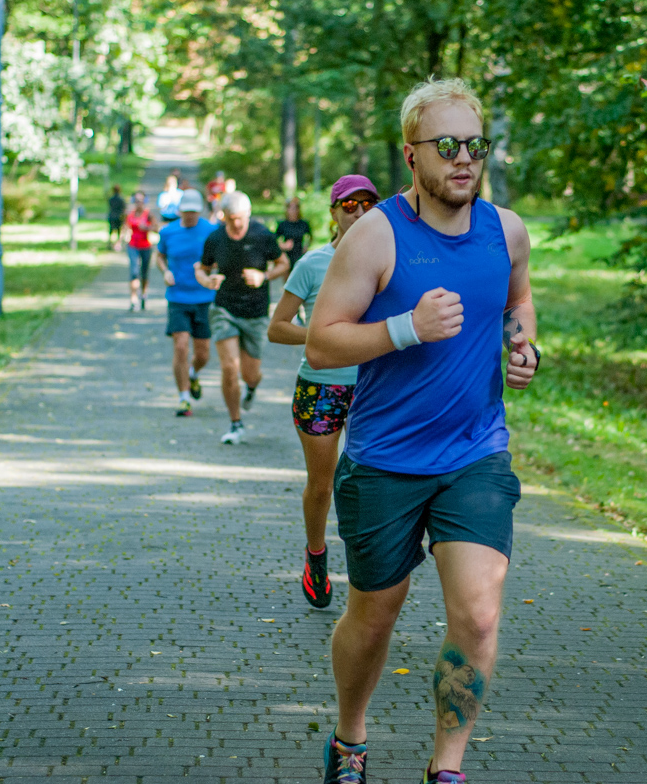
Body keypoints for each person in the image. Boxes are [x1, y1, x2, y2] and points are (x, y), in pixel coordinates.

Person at [305, 78, 539, 784]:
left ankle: (447, 767)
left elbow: (518, 298)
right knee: (374, 615)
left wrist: (523, 345)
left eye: (475, 145)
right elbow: (321, 343)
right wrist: (405, 328)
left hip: (476, 454)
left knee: (477, 613)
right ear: (412, 155)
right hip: (384, 460)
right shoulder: (378, 234)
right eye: (446, 146)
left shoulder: (507, 229)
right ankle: (350, 735)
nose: (463, 159)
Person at [267, 175, 379, 610]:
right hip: (322, 385)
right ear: (333, 212)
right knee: (323, 483)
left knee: (372, 479)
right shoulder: (313, 263)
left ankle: (370, 565)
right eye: (349, 204)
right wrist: (321, 336)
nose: (359, 211)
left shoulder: (390, 261)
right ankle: (316, 556)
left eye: (368, 203)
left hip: (374, 386)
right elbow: (277, 328)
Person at [195, 191, 290, 445]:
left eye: (241, 218)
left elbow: (283, 263)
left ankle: (251, 387)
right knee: (229, 368)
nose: (237, 224)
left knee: (250, 374)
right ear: (224, 216)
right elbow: (202, 269)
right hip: (224, 308)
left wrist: (264, 276)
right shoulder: (215, 238)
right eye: (232, 219)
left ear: (249, 214)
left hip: (256, 311)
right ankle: (235, 423)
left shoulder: (262, 235)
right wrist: (207, 280)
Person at [156, 188, 218, 417]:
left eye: (194, 212)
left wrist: (215, 274)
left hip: (204, 298)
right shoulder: (168, 232)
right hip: (177, 298)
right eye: (186, 212)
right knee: (180, 346)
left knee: (203, 354)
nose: (190, 216)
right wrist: (165, 272)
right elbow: (159, 256)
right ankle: (183, 398)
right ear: (180, 211)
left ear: (199, 211)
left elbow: (219, 259)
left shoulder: (211, 231)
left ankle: (192, 373)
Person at [125, 197, 157, 311]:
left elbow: (156, 228)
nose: (139, 203)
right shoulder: (131, 214)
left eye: (141, 201)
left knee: (144, 273)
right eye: (137, 201)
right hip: (132, 246)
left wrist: (147, 227)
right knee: (134, 272)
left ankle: (143, 294)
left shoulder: (148, 215)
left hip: (146, 247)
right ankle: (133, 299)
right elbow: (126, 227)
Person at [276, 196, 313, 270]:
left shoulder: (303, 224)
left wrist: (306, 246)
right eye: (291, 208)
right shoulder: (283, 224)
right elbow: (274, 239)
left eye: (296, 208)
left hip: (300, 254)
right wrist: (283, 245)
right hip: (287, 255)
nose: (293, 211)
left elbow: (310, 237)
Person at [107, 184, 126, 250]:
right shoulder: (121, 199)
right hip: (118, 216)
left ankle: (109, 243)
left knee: (111, 230)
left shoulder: (111, 199)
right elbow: (123, 208)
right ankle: (118, 244)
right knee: (119, 231)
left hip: (112, 216)